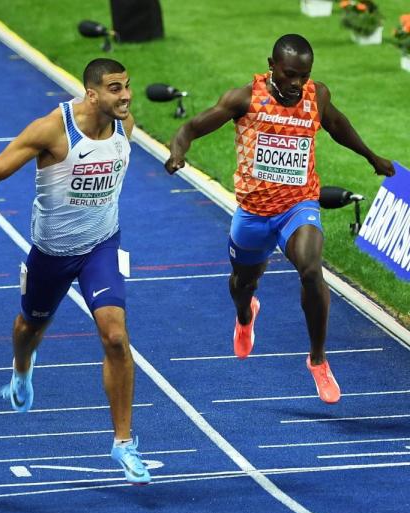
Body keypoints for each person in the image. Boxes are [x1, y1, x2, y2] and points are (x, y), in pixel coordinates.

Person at [0, 58, 151, 485]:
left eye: (127, 86)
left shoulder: (123, 126)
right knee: (28, 328)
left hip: (102, 246)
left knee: (115, 335)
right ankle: (22, 371)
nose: (126, 95)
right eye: (115, 88)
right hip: (52, 253)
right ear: (91, 94)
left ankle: (124, 442)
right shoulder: (52, 129)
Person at [164, 34, 395, 404]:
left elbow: (337, 125)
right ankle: (245, 315)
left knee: (310, 268)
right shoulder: (244, 99)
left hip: (298, 205)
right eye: (289, 74)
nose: (296, 84)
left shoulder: (315, 96)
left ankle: (317, 360)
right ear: (271, 65)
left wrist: (372, 157)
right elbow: (190, 129)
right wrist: (178, 154)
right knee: (243, 283)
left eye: (303, 76)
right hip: (254, 212)